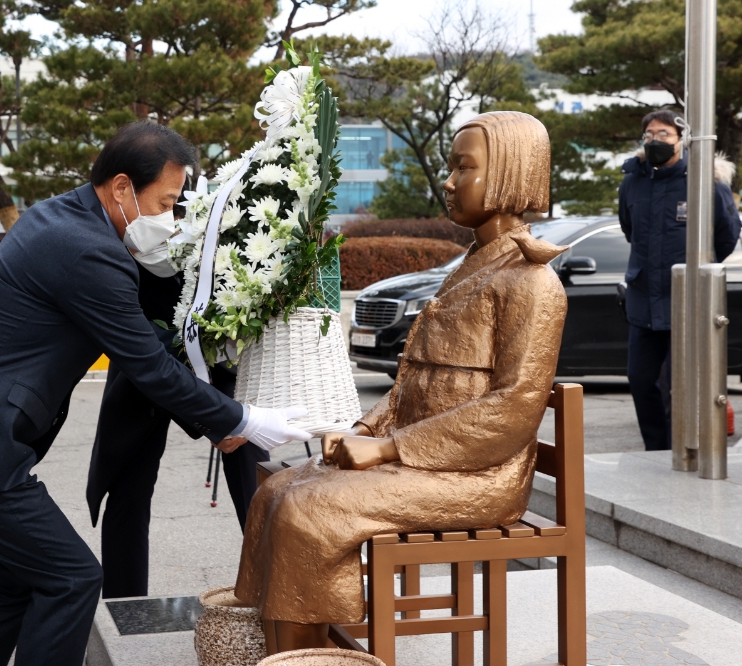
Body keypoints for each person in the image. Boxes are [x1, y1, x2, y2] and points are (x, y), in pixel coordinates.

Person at [0, 121, 310, 666]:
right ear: (121, 189)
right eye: (164, 201)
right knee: (71, 580)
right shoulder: (88, 250)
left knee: (18, 583)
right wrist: (243, 420)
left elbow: (142, 337)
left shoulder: (60, 217)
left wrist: (218, 393)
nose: (168, 216)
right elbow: (148, 365)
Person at [235, 111, 568, 652]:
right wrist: (364, 428)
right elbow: (416, 380)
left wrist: (389, 448)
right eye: (451, 167)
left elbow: (514, 409)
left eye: (466, 168)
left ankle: (312, 659)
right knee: (275, 489)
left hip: (479, 473)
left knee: (309, 507)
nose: (451, 182)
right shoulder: (472, 264)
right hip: (430, 457)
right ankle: (288, 655)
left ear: (510, 173)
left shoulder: (531, 281)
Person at [86, 184, 269, 600]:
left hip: (217, 370)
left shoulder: (219, 228)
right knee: (127, 492)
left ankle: (275, 597)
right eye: (163, 203)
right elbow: (138, 346)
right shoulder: (120, 234)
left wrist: (219, 416)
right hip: (138, 374)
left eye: (175, 203)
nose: (169, 215)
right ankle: (125, 608)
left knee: (254, 479)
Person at [619, 109, 741, 451]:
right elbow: (629, 228)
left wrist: (701, 269)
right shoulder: (633, 181)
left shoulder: (704, 183)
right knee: (641, 381)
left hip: (688, 300)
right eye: (650, 135)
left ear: (681, 140)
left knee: (682, 385)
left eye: (664, 135)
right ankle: (656, 450)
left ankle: (683, 450)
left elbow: (728, 235)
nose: (656, 141)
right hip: (644, 298)